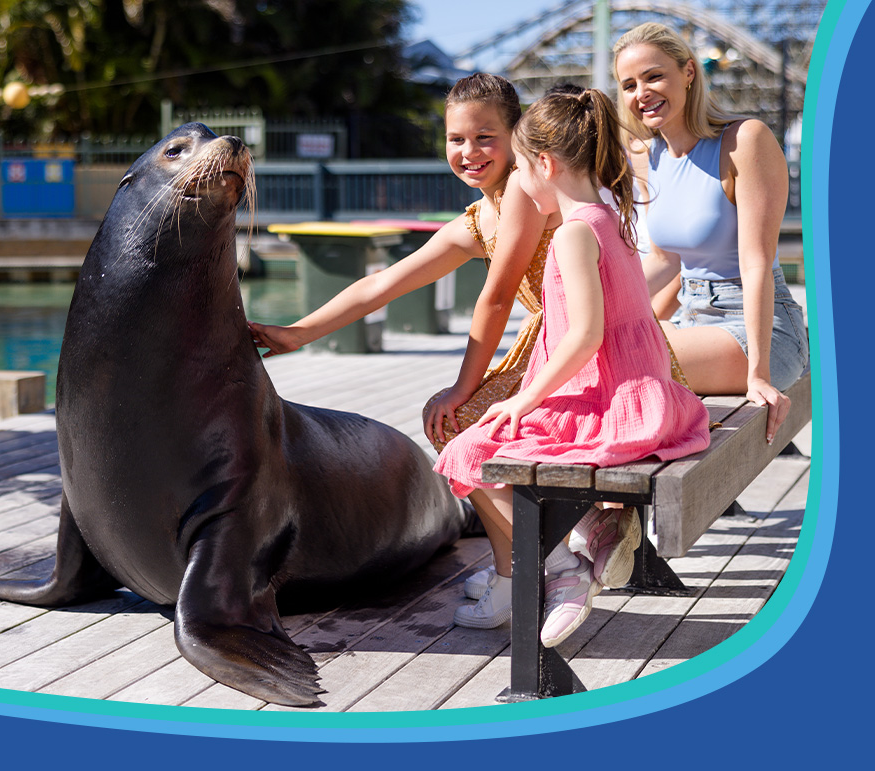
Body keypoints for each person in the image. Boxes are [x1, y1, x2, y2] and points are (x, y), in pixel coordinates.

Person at [249, 74, 564, 630]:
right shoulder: (479, 217)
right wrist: (299, 333)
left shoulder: (526, 188)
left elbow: (494, 300)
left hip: (578, 344)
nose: (469, 153)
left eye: (485, 137)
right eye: (456, 139)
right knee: (453, 423)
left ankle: (536, 566)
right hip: (550, 339)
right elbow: (383, 284)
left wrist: (465, 386)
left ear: (518, 134)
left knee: (460, 417)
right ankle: (520, 560)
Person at [432, 88, 711, 647]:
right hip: (647, 393)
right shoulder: (609, 212)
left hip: (613, 401)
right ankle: (564, 545)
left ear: (545, 164)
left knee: (465, 449)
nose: (517, 185)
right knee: (494, 441)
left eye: (520, 169)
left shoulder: (572, 234)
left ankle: (560, 569)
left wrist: (525, 397)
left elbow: (584, 335)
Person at [613, 22, 810, 445]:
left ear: (688, 72)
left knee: (620, 360)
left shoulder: (744, 140)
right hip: (693, 319)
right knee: (591, 344)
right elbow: (665, 260)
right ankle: (610, 502)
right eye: (629, 84)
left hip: (761, 329)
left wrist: (757, 373)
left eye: (653, 76)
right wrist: (591, 313)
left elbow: (755, 262)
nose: (640, 92)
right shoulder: (651, 156)